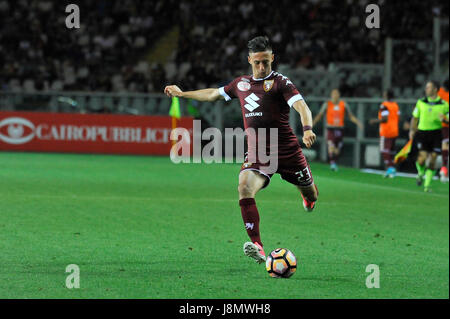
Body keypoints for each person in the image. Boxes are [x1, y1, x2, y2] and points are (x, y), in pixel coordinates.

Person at [164, 36, 319, 264]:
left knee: (311, 194)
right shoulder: (240, 84)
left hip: (287, 150)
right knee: (244, 187)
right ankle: (257, 245)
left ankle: (307, 198)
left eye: (266, 61)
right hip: (259, 152)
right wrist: (182, 93)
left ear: (272, 58)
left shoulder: (281, 82)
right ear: (249, 60)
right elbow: (213, 94)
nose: (262, 67)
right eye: (257, 62)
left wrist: (307, 129)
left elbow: (302, 106)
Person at [409, 80, 449, 192]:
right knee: (421, 160)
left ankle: (427, 186)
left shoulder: (444, 104)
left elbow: (448, 118)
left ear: (435, 89)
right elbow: (415, 117)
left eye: (428, 87)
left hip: (436, 134)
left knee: (433, 160)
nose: (426, 89)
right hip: (422, 133)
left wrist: (445, 119)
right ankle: (421, 173)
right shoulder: (421, 102)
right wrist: (412, 130)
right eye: (426, 87)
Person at [313, 89, 363, 171]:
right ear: (331, 95)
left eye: (336, 94)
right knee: (331, 146)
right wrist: (313, 122)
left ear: (339, 95)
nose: (335, 96)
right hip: (330, 128)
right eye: (333, 94)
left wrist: (358, 122)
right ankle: (332, 163)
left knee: (337, 150)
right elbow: (320, 115)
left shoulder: (343, 104)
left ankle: (334, 162)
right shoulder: (327, 104)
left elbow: (350, 116)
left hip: (340, 129)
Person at [369, 89, 400, 178]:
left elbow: (385, 119)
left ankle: (391, 168)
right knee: (391, 151)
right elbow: (399, 117)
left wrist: (374, 121)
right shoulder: (395, 105)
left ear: (386, 95)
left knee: (384, 150)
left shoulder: (384, 105)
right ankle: (391, 170)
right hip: (395, 130)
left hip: (386, 131)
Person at [438, 79, 449, 182]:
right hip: (444, 124)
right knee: (445, 145)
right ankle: (444, 168)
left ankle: (444, 169)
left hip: (440, 124)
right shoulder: (440, 93)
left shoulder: (438, 92)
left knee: (444, 145)